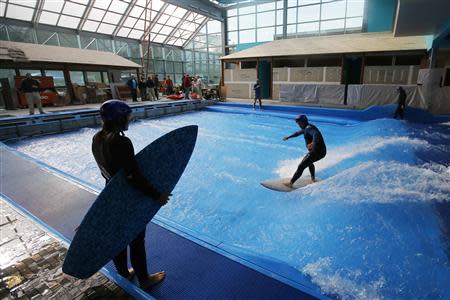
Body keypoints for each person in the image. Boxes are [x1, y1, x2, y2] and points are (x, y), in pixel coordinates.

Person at [92, 100, 169, 289]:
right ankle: (144, 279)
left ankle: (124, 272)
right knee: (136, 238)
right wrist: (156, 195)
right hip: (128, 198)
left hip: (112, 195)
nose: (129, 119)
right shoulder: (121, 141)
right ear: (118, 118)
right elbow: (132, 175)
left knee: (118, 235)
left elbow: (106, 171)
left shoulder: (97, 138)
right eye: (127, 116)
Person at [282, 115, 326, 187]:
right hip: (320, 152)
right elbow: (297, 133)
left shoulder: (309, 128)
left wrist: (313, 143)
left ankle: (290, 183)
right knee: (309, 162)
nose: (298, 125)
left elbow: (316, 134)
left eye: (299, 123)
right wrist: (288, 137)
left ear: (303, 122)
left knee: (301, 166)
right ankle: (313, 179)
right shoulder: (306, 128)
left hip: (317, 152)